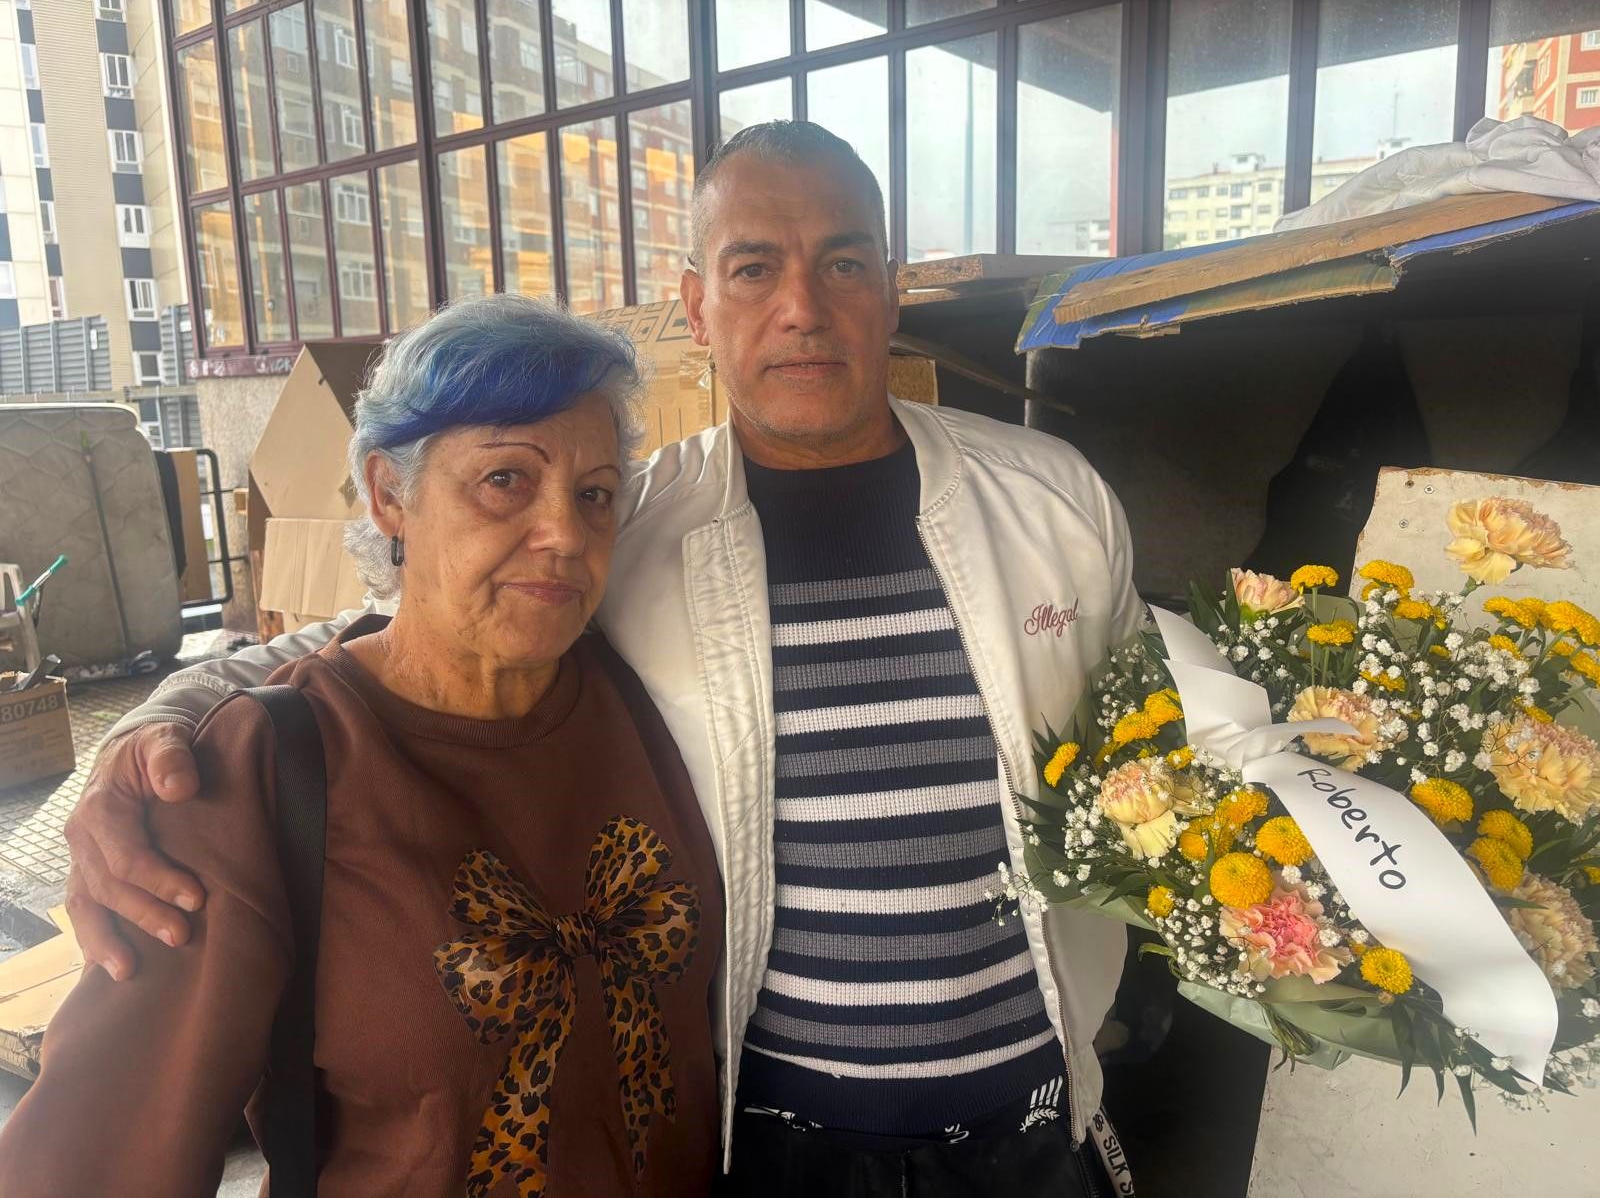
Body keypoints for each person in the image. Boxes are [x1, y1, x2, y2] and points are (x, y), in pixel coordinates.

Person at [63, 122, 1141, 1197]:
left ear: (890, 290)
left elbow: (1158, 747)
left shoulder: (1054, 504)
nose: (802, 307)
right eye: (753, 267)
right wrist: (155, 729)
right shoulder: (653, 523)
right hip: (773, 1149)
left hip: (1034, 1128)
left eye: (845, 263)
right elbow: (381, 633)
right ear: (697, 305)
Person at [0, 296, 723, 1197]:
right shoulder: (266, 773)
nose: (564, 535)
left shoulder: (649, 697)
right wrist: (154, 721)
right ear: (390, 496)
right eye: (505, 480)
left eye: (596, 494)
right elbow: (92, 1164)